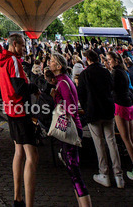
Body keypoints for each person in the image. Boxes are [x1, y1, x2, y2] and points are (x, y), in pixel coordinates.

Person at [0, 33, 39, 207]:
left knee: (19, 152)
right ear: (14, 44)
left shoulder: (1, 61)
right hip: (20, 111)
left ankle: (17, 198)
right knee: (32, 156)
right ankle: (28, 203)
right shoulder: (13, 60)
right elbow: (19, 87)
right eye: (22, 45)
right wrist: (34, 86)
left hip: (10, 110)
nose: (24, 49)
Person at [47, 53, 91, 206]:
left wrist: (60, 105)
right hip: (72, 127)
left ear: (59, 66)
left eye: (52, 61)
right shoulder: (63, 81)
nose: (49, 63)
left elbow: (71, 106)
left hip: (71, 128)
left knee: (74, 172)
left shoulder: (64, 83)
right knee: (72, 171)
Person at [76, 48, 122, 188]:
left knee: (99, 143)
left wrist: (86, 106)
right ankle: (119, 175)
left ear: (87, 60)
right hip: (108, 110)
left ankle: (104, 173)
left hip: (94, 111)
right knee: (111, 141)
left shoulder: (85, 74)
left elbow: (81, 94)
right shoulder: (106, 72)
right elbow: (112, 88)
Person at [106, 50, 133, 183]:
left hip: (120, 105)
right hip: (128, 104)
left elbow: (110, 88)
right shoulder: (124, 71)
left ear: (116, 60)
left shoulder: (115, 73)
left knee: (126, 139)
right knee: (132, 138)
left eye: (109, 59)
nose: (107, 62)